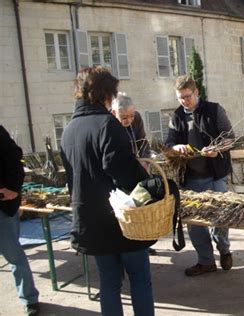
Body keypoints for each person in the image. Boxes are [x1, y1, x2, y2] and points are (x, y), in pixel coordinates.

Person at [60, 67, 155, 316]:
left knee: (110, 284)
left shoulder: (69, 130)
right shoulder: (107, 125)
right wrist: (151, 186)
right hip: (121, 222)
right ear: (106, 94)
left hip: (91, 222)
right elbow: (124, 173)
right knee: (140, 279)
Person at [165, 75, 234, 277]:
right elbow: (169, 144)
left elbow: (230, 138)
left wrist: (217, 149)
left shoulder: (214, 110)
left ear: (197, 92)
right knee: (195, 223)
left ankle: (224, 250)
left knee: (220, 217)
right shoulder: (176, 116)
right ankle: (205, 261)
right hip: (191, 178)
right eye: (180, 98)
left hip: (216, 174)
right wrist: (176, 147)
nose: (184, 101)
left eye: (187, 96)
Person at [0, 125, 40, 316]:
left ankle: (29, 299)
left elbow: (15, 160)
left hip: (1, 207)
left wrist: (13, 189)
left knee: (14, 255)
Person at [111, 92, 151, 158]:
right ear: (114, 113)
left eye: (132, 116)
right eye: (124, 117)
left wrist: (145, 161)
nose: (129, 121)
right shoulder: (108, 124)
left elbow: (143, 142)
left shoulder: (137, 117)